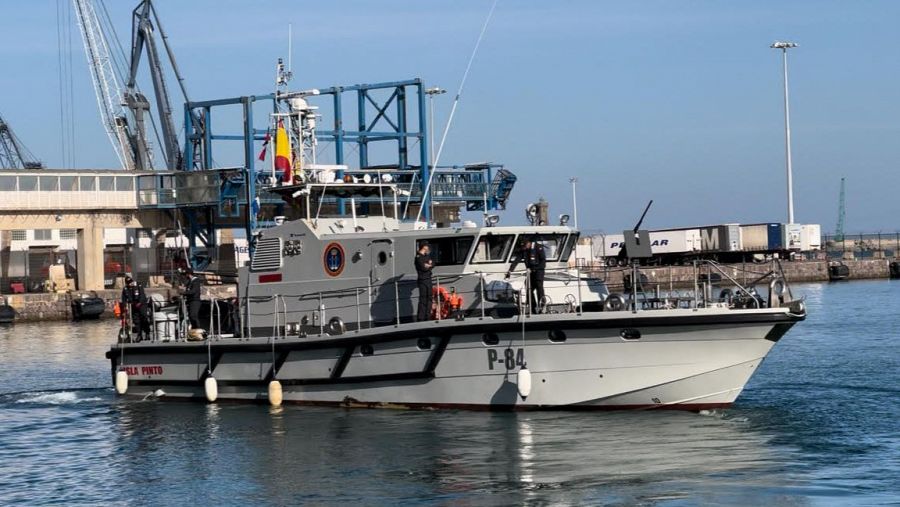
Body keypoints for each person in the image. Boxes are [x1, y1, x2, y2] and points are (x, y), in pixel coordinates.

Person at [507, 237, 546, 314]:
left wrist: (535, 269)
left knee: (539, 288)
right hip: (530, 272)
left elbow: (543, 261)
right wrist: (510, 270)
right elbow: (516, 260)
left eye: (525, 246)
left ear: (529, 243)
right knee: (528, 289)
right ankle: (533, 307)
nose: (524, 248)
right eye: (523, 246)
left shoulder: (538, 247)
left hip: (538, 272)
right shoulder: (524, 250)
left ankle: (542, 306)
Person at [121, 276, 151, 341]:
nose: (130, 284)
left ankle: (147, 333)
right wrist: (125, 306)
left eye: (131, 282)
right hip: (133, 306)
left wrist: (139, 303)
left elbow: (142, 295)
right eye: (128, 283)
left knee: (144, 318)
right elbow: (124, 299)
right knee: (136, 320)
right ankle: (139, 335)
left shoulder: (138, 285)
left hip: (142, 305)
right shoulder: (125, 289)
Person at [415, 243, 434, 321]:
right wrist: (428, 265)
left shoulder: (427, 256)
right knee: (423, 299)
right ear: (424, 247)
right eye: (427, 247)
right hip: (422, 280)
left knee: (429, 298)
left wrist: (429, 265)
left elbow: (433, 263)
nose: (428, 248)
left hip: (428, 279)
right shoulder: (418, 257)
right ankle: (421, 317)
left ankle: (428, 316)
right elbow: (423, 268)